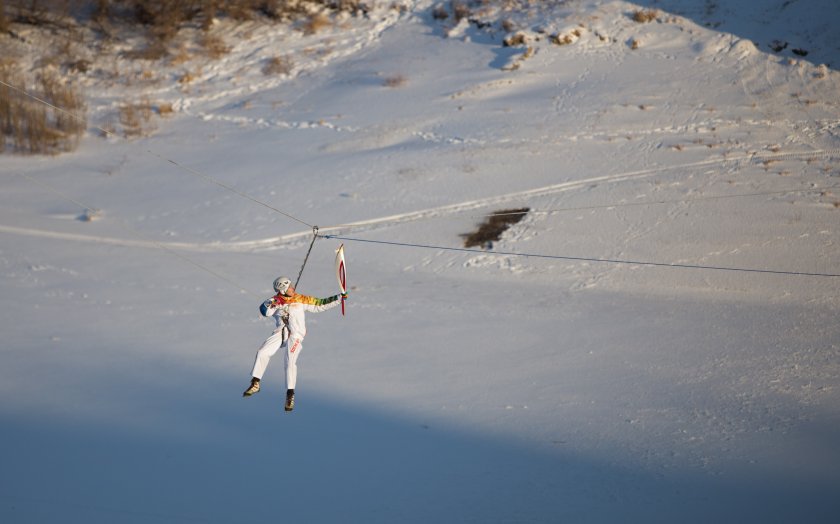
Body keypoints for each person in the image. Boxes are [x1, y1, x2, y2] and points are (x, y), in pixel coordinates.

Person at [243, 275, 345, 411]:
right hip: (281, 332)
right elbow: (264, 311)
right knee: (263, 352)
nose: (293, 288)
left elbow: (320, 304)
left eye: (292, 285)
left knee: (289, 360)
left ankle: (290, 394)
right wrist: (276, 302)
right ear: (283, 290)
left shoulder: (300, 299)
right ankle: (255, 383)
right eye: (289, 287)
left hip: (296, 335)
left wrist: (339, 298)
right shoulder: (275, 300)